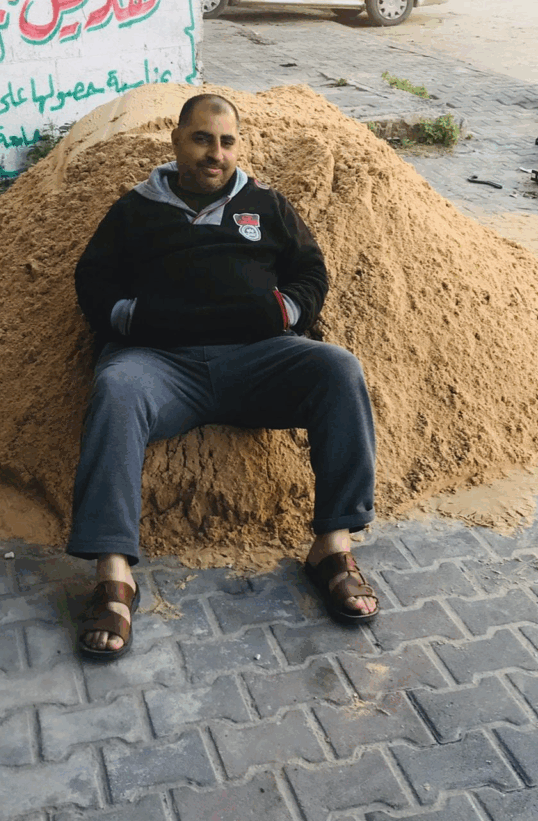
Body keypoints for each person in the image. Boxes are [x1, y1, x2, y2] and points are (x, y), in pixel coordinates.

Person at [68, 93, 379, 660]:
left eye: (227, 141)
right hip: (163, 368)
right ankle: (114, 576)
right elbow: (93, 280)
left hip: (258, 360)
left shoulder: (266, 205)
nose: (215, 153)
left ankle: (332, 548)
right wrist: (132, 318)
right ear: (176, 140)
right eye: (202, 139)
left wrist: (284, 311)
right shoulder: (135, 209)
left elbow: (311, 270)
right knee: (116, 387)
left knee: (338, 369)